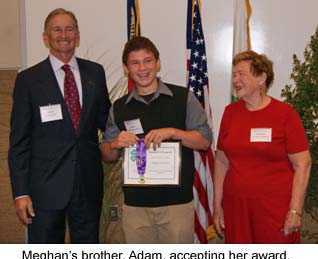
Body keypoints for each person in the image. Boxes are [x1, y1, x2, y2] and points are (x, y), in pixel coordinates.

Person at [8, 8, 111, 243]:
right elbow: (19, 143)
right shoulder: (28, 80)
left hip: (87, 184)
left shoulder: (95, 72)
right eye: (57, 29)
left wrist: (136, 133)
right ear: (46, 37)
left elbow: (107, 121)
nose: (63, 34)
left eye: (69, 29)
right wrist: (21, 192)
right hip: (45, 188)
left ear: (77, 35)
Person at [100, 36, 212, 243]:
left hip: (176, 206)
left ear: (157, 63)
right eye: (135, 63)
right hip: (136, 208)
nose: (142, 68)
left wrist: (173, 132)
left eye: (148, 60)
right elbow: (107, 154)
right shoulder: (119, 107)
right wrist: (115, 144)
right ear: (126, 69)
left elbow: (205, 140)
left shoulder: (183, 98)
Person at [213, 50, 312, 244]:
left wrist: (295, 210)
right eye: (234, 74)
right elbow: (221, 161)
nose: (235, 80)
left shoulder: (285, 114)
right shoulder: (230, 113)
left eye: (242, 74)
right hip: (236, 208)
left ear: (261, 78)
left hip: (274, 210)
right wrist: (217, 205)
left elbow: (304, 164)